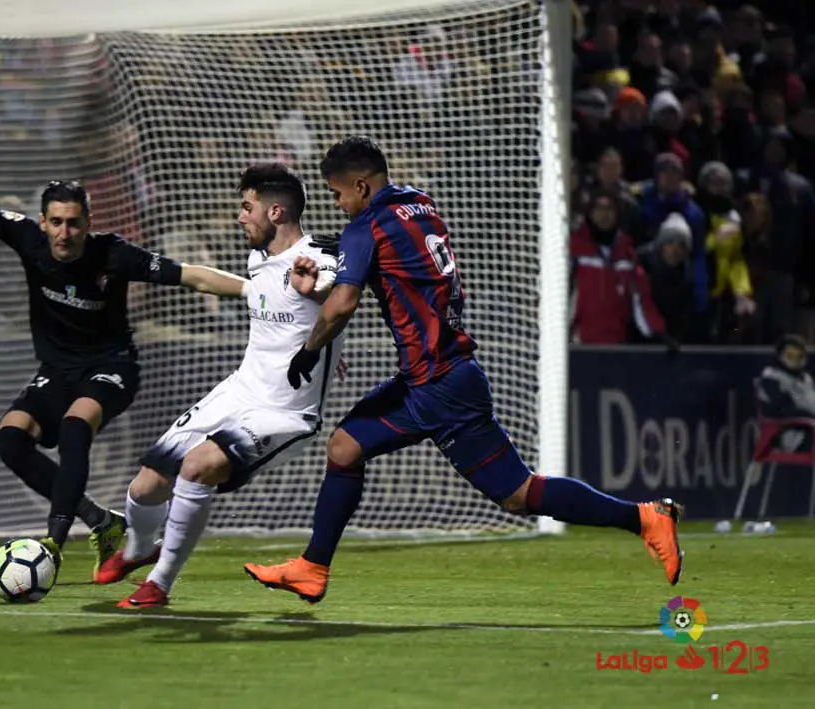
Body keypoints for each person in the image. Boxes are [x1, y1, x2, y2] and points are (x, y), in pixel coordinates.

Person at [244, 136, 685, 604]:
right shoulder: (420, 202)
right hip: (436, 374)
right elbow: (398, 254)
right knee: (345, 446)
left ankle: (644, 517)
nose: (337, 204)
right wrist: (351, 249)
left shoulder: (364, 229)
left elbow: (342, 304)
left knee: (517, 494)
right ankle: (312, 567)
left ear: (361, 185)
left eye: (337, 195)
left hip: (438, 384)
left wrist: (309, 351)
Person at [0, 91, 248, 579]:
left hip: (112, 366)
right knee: (8, 441)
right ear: (42, 222)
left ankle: (54, 540)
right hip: (57, 370)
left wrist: (257, 291)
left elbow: (191, 274)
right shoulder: (28, 240)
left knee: (72, 427)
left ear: (89, 223)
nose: (65, 233)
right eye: (57, 223)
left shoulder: (113, 254)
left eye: (75, 224)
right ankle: (102, 522)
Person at [94, 164, 345, 608]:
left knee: (197, 467)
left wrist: (319, 292)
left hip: (284, 411)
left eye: (247, 207)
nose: (239, 216)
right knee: (146, 485)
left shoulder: (319, 255)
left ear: (276, 211)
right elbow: (273, 304)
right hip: (239, 390)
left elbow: (332, 291)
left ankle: (160, 583)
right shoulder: (257, 260)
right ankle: (137, 549)